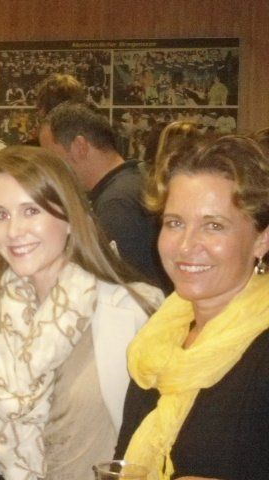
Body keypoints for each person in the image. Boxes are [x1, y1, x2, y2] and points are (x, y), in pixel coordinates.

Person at [0, 146, 162, 480]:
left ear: (68, 217)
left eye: (31, 211)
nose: (14, 230)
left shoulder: (134, 311)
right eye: (1, 215)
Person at [115, 136, 269, 480]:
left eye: (214, 226)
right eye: (175, 223)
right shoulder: (158, 341)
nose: (186, 246)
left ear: (262, 239)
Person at [40, 101, 172, 293]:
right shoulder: (135, 180)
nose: (50, 169)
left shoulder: (116, 205)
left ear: (79, 146)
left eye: (52, 157)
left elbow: (132, 291)